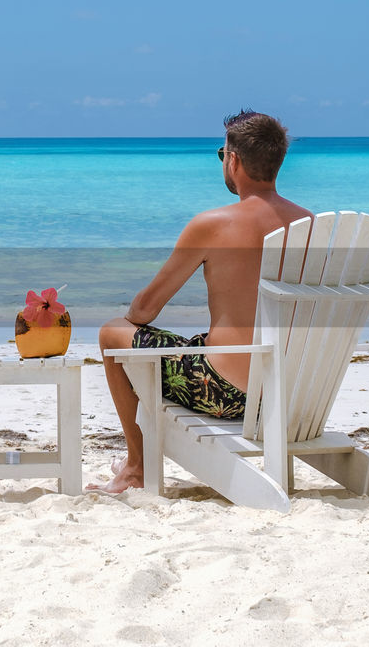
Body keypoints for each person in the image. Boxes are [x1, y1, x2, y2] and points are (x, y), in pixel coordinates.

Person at [92, 110, 314, 493]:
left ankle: (136, 466)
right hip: (290, 396)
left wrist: (132, 317)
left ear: (234, 159)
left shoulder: (213, 224)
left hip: (225, 394)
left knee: (113, 333)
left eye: (221, 155)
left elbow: (145, 311)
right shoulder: (310, 225)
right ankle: (133, 463)